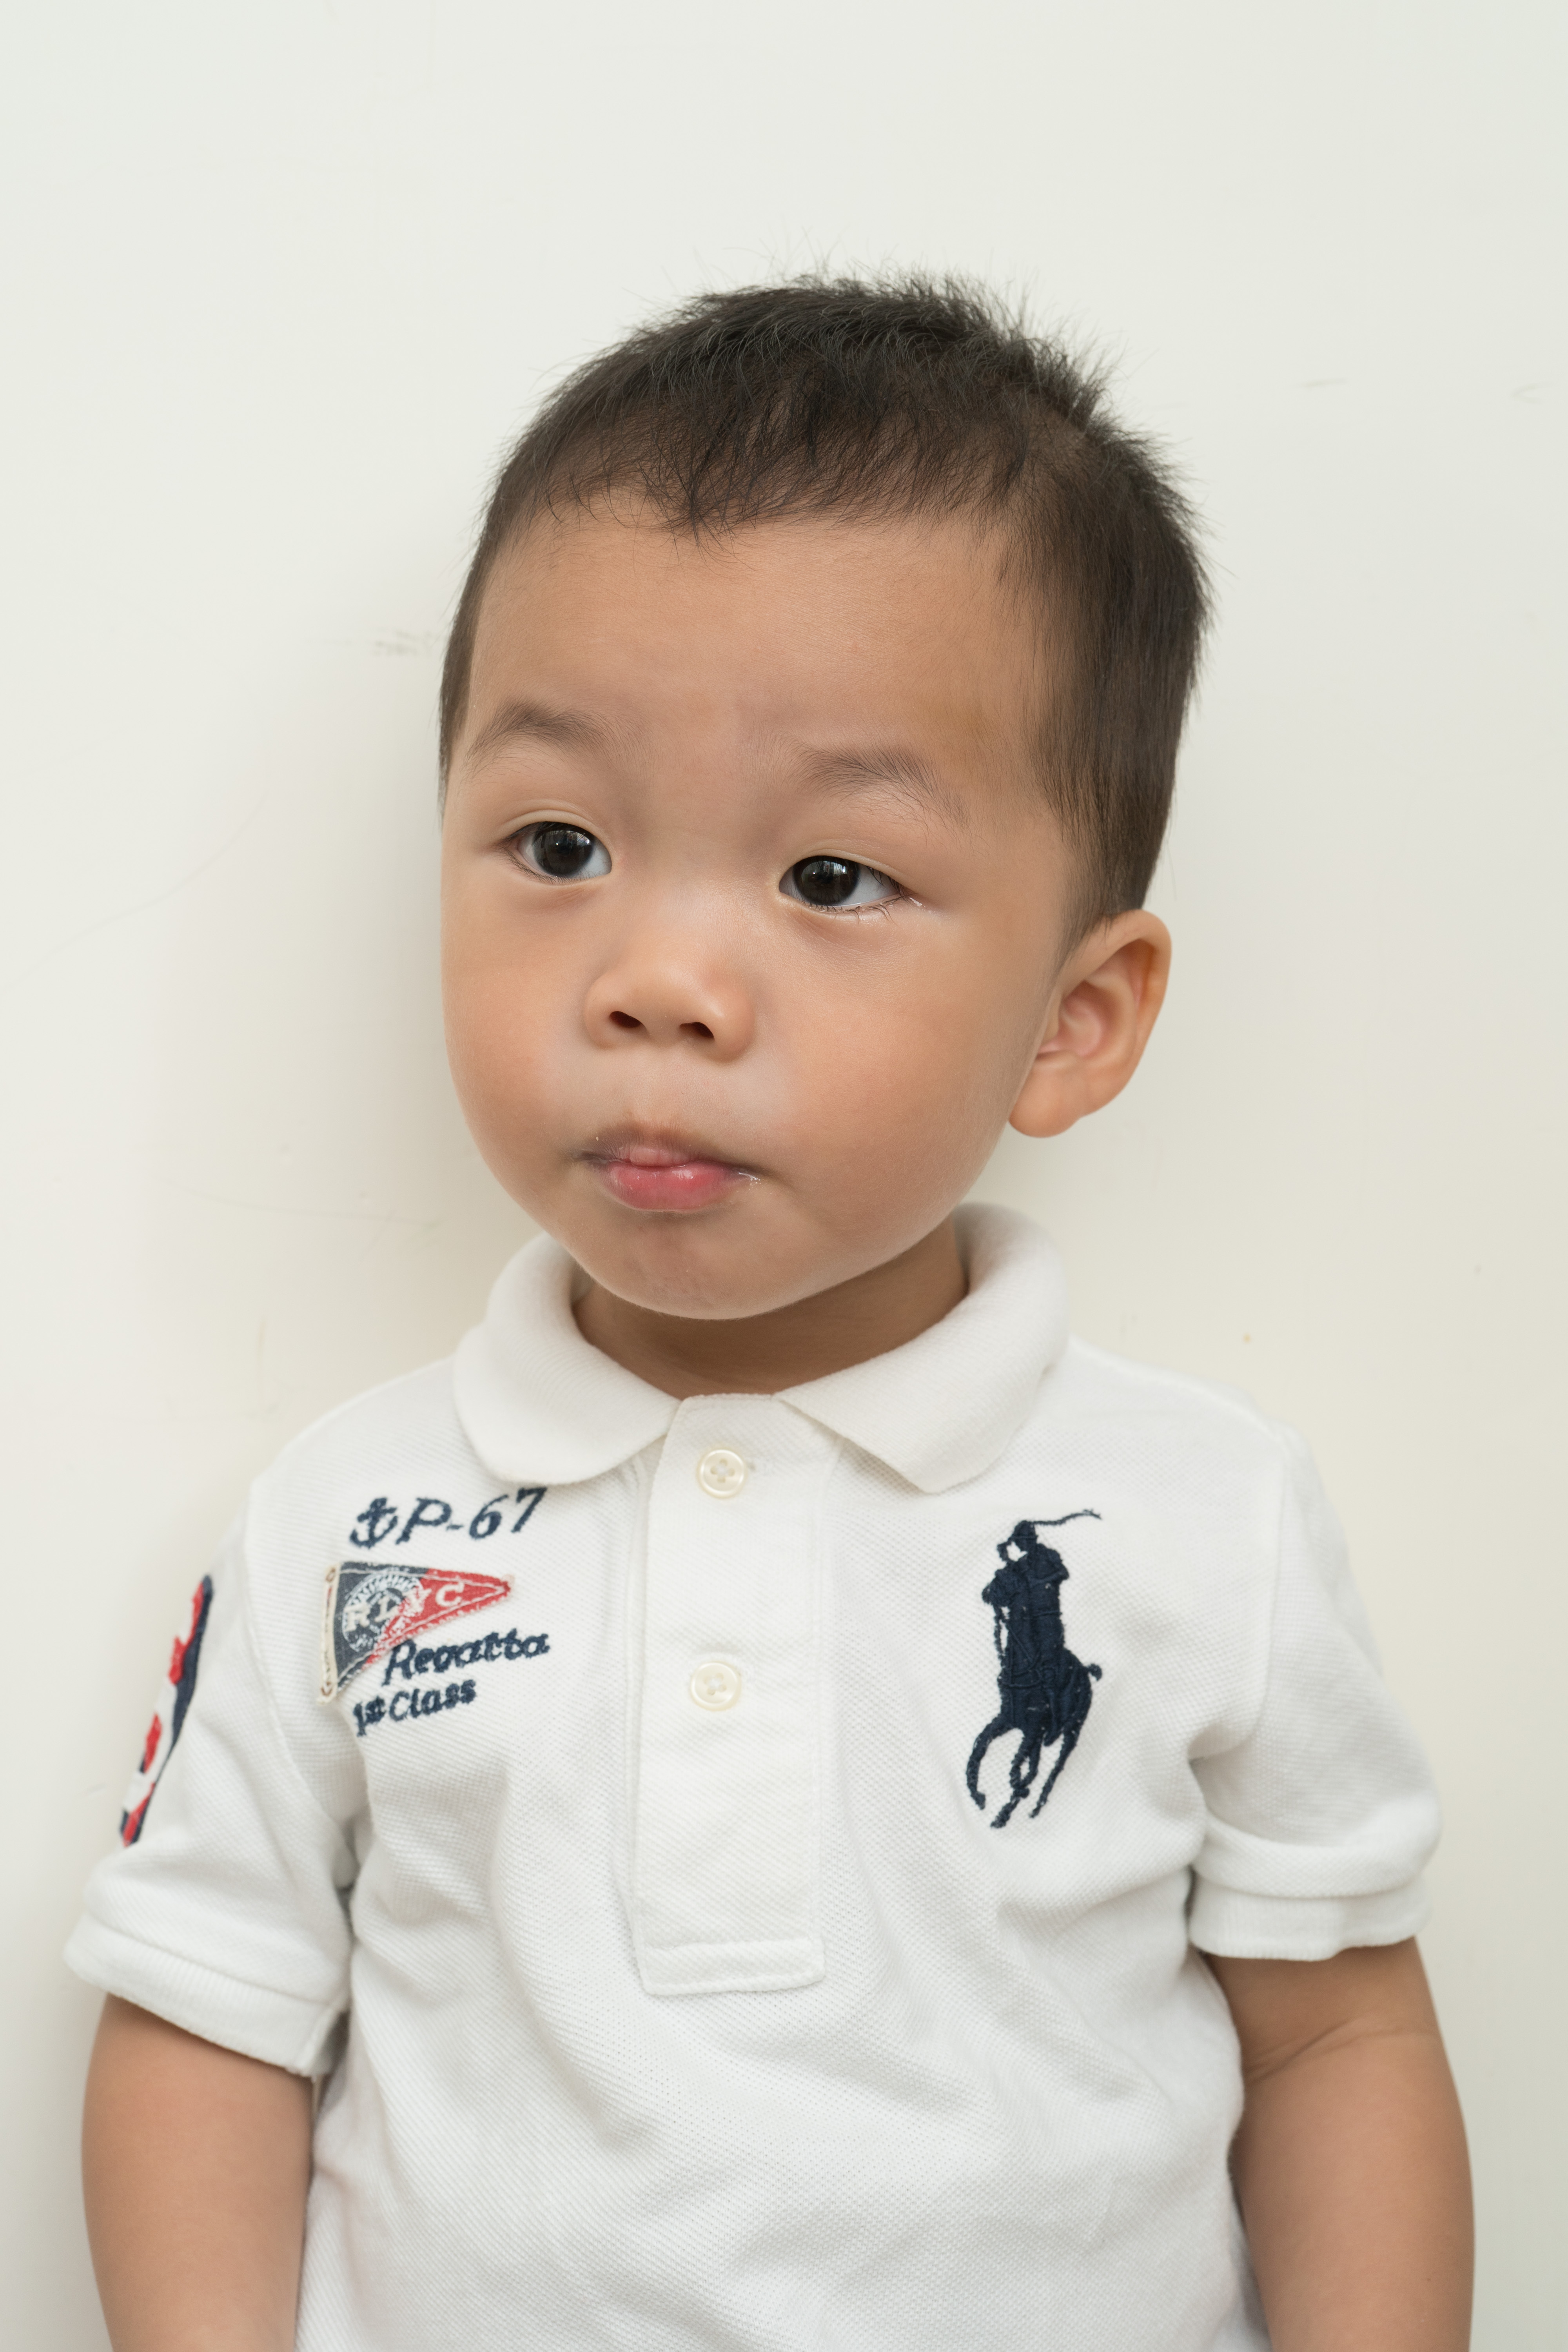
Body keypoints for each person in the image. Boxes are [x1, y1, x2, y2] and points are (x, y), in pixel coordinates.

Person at [69, 277, 1472, 2352]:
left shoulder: (1204, 1520)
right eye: (560, 843)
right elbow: (209, 2019)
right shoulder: (345, 1524)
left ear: (1075, 1021)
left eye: (831, 879)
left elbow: (1338, 2036)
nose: (661, 982)